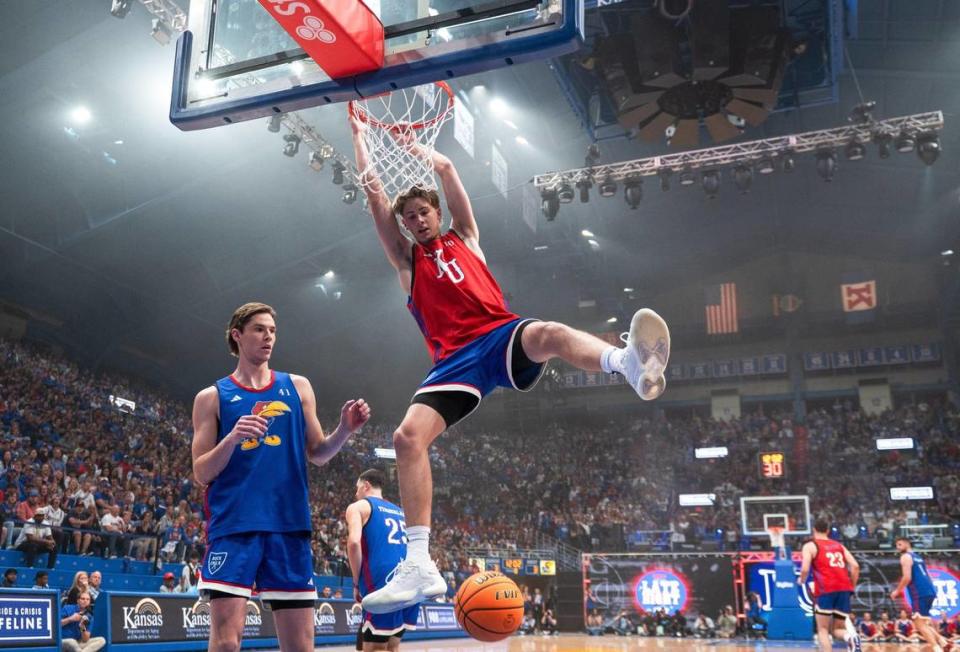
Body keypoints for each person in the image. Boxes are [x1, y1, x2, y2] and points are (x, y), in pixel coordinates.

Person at [349, 116, 671, 613]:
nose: (415, 221)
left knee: (549, 333)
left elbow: (450, 169)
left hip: (498, 335)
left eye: (421, 212)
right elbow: (374, 198)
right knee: (406, 439)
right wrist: (360, 139)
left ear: (436, 212)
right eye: (408, 217)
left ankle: (626, 364)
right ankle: (420, 563)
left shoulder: (467, 237)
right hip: (455, 362)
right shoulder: (408, 264)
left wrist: (421, 152)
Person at [191, 302, 371, 652]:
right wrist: (232, 438)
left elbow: (318, 454)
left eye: (272, 330)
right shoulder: (211, 397)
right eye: (259, 329)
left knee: (300, 647)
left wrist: (345, 431)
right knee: (227, 642)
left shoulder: (299, 386)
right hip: (234, 526)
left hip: (288, 526)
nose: (268, 337)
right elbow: (201, 472)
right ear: (237, 335)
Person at [345, 469, 419, 651]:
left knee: (375, 647)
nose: (356, 493)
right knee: (392, 647)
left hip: (383, 581)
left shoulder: (359, 506)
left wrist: (356, 582)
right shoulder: (400, 511)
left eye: (357, 488)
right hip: (409, 578)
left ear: (366, 485)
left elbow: (354, 542)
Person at [798, 518, 861, 652]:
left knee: (823, 629)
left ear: (814, 529)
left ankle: (849, 639)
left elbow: (804, 569)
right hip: (844, 589)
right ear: (828, 530)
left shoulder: (810, 546)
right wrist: (852, 587)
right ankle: (850, 637)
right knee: (838, 629)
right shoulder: (839, 546)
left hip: (825, 589)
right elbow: (855, 566)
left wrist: (802, 580)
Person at [890, 536, 950, 651]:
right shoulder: (918, 557)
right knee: (924, 622)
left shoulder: (905, 557)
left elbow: (907, 577)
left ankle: (936, 648)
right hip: (929, 591)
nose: (898, 548)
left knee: (919, 625)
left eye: (900, 544)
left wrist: (897, 591)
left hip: (919, 593)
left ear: (907, 543)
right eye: (897, 545)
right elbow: (928, 576)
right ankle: (942, 641)